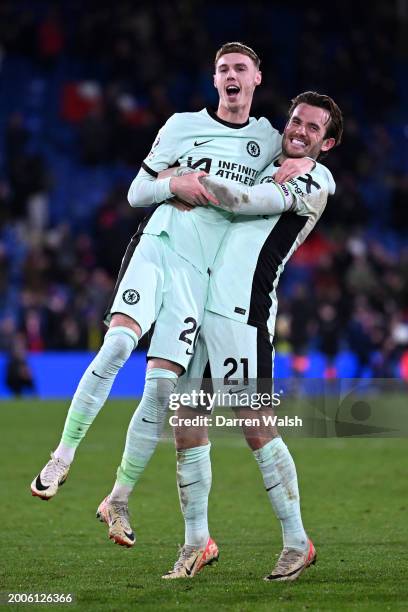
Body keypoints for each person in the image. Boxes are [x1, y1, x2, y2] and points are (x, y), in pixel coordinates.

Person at [30, 42, 313, 539]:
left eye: (240, 69)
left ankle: (118, 499)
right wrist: (173, 184)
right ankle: (61, 456)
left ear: (256, 80)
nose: (231, 75)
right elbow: (137, 192)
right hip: (160, 244)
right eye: (223, 68)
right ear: (215, 79)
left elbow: (298, 155)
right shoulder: (182, 125)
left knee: (162, 389)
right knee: (118, 343)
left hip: (198, 275)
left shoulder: (267, 139)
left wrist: (304, 165)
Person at [162, 91, 343, 581]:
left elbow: (245, 203)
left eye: (312, 129)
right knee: (185, 419)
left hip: (244, 311)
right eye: (296, 121)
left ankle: (296, 541)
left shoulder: (317, 179)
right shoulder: (266, 160)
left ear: (327, 143)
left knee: (255, 424)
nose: (300, 131)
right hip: (198, 304)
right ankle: (197, 542)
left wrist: (182, 181)